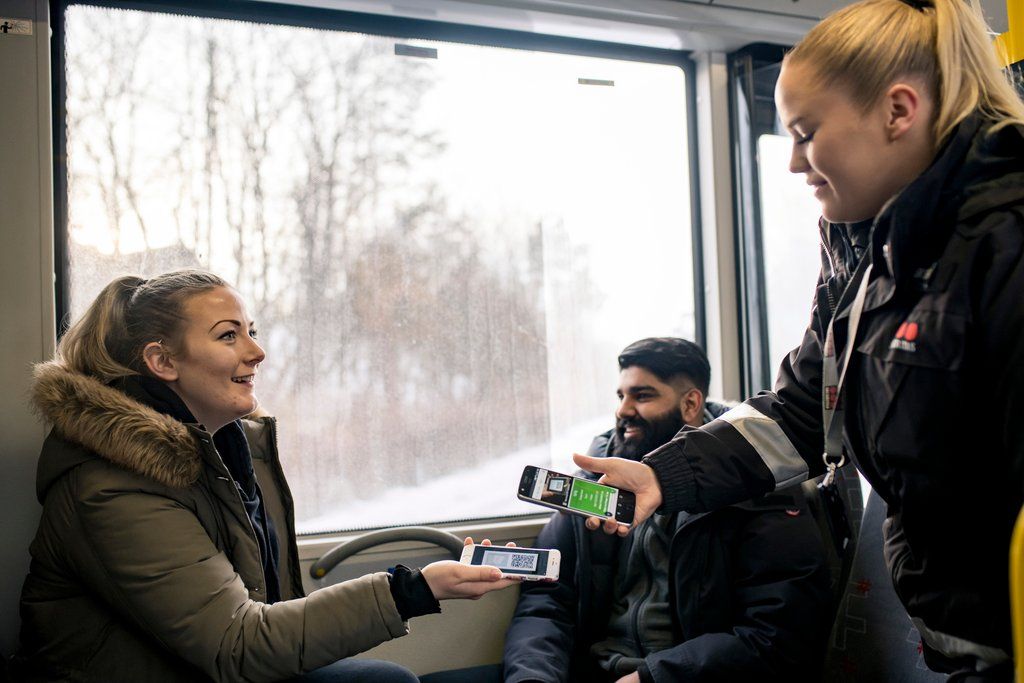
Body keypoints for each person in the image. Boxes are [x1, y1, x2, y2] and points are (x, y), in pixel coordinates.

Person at [574, 1, 1024, 680]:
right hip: (957, 642)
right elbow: (797, 412)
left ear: (898, 112)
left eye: (806, 133)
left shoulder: (1005, 243)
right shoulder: (866, 255)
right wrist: (660, 476)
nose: (791, 162)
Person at [12, 270, 515, 683]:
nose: (256, 352)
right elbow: (238, 644)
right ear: (162, 361)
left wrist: (424, 584)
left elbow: (265, 609)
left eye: (251, 331)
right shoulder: (111, 488)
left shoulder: (229, 453)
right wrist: (414, 589)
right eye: (229, 336)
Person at [498, 338, 831, 683]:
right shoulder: (596, 485)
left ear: (690, 403)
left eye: (642, 396)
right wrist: (534, 677)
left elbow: (778, 635)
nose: (623, 410)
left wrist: (652, 677)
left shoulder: (759, 489)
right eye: (621, 396)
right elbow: (547, 600)